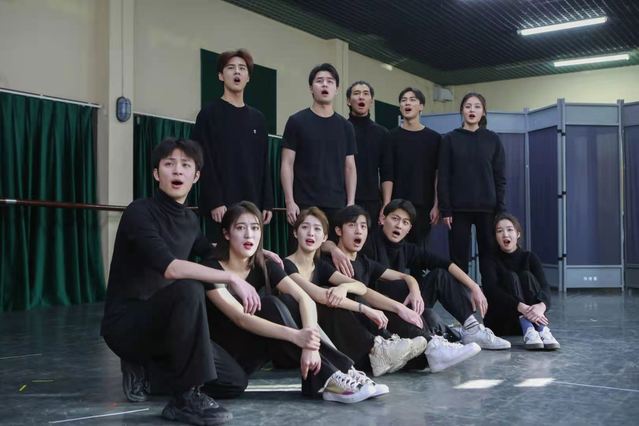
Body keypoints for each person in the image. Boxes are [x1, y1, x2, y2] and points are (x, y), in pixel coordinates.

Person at [101, 138, 258, 425]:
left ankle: (148, 374)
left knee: (234, 382)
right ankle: (184, 399)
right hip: (128, 325)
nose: (177, 171)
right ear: (156, 173)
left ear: (195, 176)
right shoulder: (139, 212)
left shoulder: (189, 220)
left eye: (186, 165)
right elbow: (171, 268)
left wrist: (255, 252)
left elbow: (211, 251)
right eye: (169, 164)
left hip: (171, 327)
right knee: (188, 286)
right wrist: (230, 277)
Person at [203, 201, 383, 403]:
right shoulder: (212, 268)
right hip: (224, 354)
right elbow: (240, 318)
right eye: (240, 228)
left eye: (255, 228)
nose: (249, 235)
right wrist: (297, 337)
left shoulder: (265, 265)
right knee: (270, 305)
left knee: (289, 301)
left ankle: (342, 371)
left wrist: (310, 345)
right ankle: (333, 375)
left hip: (254, 350)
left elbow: (304, 299)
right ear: (226, 234)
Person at [327, 200, 511, 350]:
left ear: (409, 228)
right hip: (379, 308)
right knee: (427, 314)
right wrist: (334, 249)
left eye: (405, 222)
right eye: (395, 219)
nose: (399, 225)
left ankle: (471, 327)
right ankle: (445, 337)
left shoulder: (408, 249)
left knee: (439, 276)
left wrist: (474, 287)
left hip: (407, 305)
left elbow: (446, 264)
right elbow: (324, 244)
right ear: (382, 219)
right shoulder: (366, 241)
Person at [284, 207, 427, 377]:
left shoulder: (319, 266)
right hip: (297, 340)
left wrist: (344, 287)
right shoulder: (286, 265)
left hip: (324, 337)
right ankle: (377, 349)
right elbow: (320, 296)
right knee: (331, 296)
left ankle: (409, 349)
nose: (311, 233)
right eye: (305, 227)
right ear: (295, 233)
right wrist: (364, 309)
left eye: (317, 229)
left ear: (324, 238)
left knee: (344, 294)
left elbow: (360, 287)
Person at [191, 48, 273, 243]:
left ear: (248, 77)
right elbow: (202, 160)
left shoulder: (258, 119)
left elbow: (264, 163)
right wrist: (215, 200)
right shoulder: (208, 114)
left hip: (252, 206)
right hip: (221, 208)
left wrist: (267, 203)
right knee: (222, 255)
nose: (237, 72)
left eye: (242, 68)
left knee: (251, 254)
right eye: (231, 67)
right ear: (221, 75)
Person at [281, 63, 357, 241]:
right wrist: (289, 201)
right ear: (311, 88)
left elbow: (350, 167)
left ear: (337, 89)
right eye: (319, 81)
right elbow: (287, 163)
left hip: (336, 204)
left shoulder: (346, 127)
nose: (324, 85)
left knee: (334, 253)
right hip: (304, 203)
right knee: (303, 252)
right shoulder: (296, 121)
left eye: (330, 81)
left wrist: (350, 203)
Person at [438, 92, 506, 281]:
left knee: (489, 256)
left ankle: (490, 295)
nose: (472, 110)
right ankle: (461, 297)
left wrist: (501, 209)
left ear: (483, 112)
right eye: (468, 106)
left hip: (488, 209)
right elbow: (443, 176)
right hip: (458, 209)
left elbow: (500, 177)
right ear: (462, 110)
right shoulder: (450, 139)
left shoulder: (493, 139)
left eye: (477, 106)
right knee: (458, 257)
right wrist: (445, 208)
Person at [483, 213, 560, 350]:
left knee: (526, 276)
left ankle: (541, 329)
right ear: (495, 237)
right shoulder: (489, 260)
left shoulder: (529, 257)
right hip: (502, 323)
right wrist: (520, 307)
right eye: (499, 231)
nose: (505, 234)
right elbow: (491, 291)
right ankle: (529, 326)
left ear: (518, 234)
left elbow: (545, 287)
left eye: (509, 229)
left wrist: (541, 306)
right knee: (511, 277)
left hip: (534, 320)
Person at [386, 88, 441, 248]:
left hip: (424, 204)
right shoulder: (391, 137)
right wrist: (387, 204)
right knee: (395, 249)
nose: (407, 103)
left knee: (419, 251)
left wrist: (437, 204)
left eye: (412, 99)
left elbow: (438, 174)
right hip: (397, 204)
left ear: (421, 106)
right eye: (403, 100)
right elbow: (387, 173)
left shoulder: (434, 138)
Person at [346, 81, 392, 224]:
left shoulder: (382, 133)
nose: (361, 97)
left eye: (366, 94)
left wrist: (386, 204)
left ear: (371, 101)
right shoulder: (341, 128)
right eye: (356, 93)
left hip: (372, 202)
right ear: (348, 101)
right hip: (343, 199)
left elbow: (387, 172)